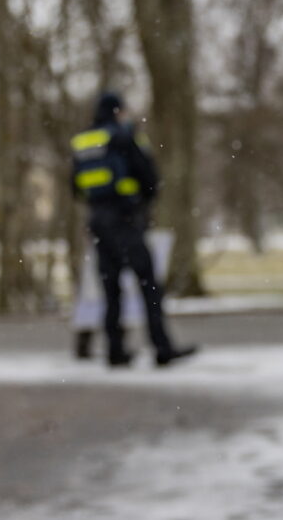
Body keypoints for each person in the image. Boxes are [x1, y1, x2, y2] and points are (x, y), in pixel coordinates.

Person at [71, 92, 196, 368]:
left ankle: (115, 350)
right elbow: (149, 178)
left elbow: (75, 187)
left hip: (98, 220)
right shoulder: (124, 137)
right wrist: (139, 203)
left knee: (110, 288)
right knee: (149, 285)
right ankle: (161, 347)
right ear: (118, 112)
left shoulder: (83, 142)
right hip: (126, 218)